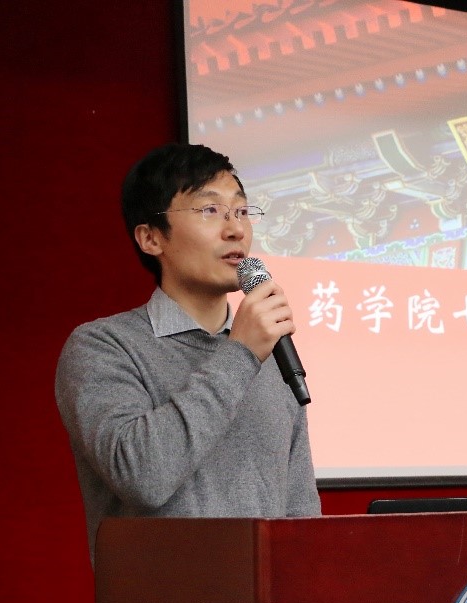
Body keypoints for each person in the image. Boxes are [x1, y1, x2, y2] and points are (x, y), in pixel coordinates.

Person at [56, 143, 321, 562]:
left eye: (241, 211)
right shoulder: (104, 346)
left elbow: (301, 514)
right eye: (210, 210)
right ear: (151, 238)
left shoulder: (270, 356)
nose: (235, 230)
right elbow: (144, 477)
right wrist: (240, 354)